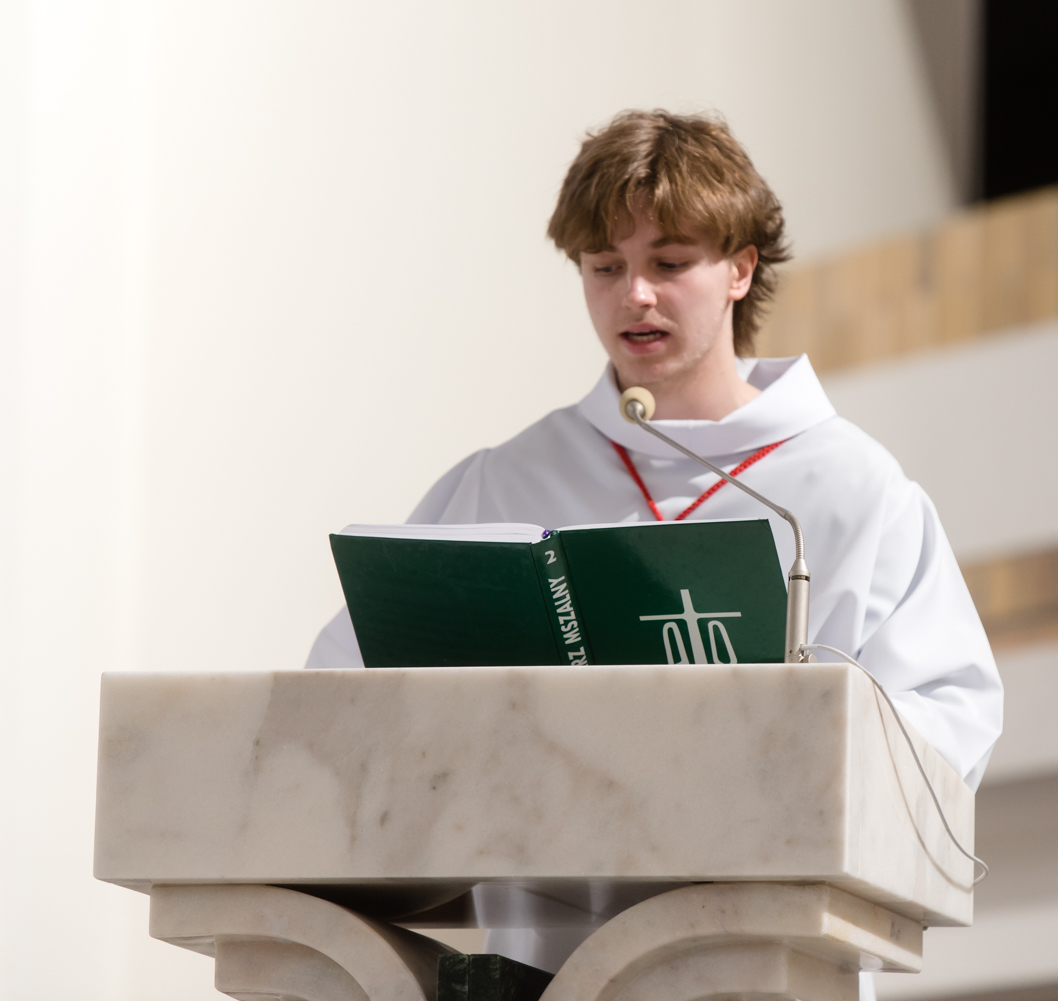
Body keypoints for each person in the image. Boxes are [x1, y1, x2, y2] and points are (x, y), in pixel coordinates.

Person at [306, 109, 1003, 978]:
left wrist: (814, 735)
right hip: (550, 963)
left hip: (773, 962)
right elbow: (339, 691)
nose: (634, 294)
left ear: (741, 268)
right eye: (606, 266)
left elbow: (947, 721)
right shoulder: (506, 481)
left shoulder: (853, 490)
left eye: (669, 263)